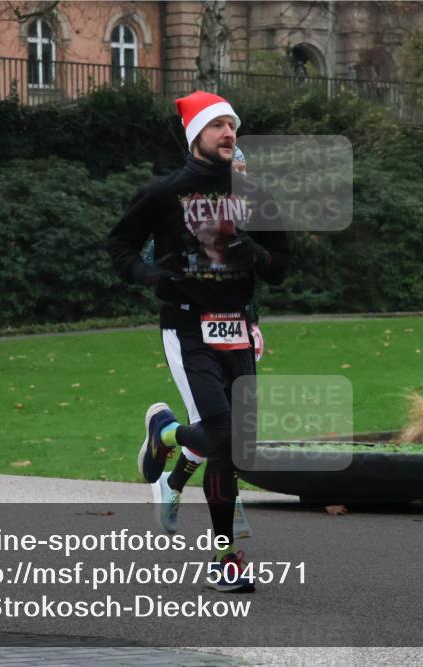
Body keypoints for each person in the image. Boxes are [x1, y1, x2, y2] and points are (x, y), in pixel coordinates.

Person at [107, 91, 288, 592]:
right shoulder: (164, 193)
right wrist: (149, 274)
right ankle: (226, 560)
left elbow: (283, 267)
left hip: (237, 329)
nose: (229, 133)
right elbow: (119, 245)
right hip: (187, 327)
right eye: (218, 126)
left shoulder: (258, 195)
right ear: (196, 136)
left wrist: (254, 252)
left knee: (239, 445)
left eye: (233, 125)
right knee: (226, 436)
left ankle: (165, 433)